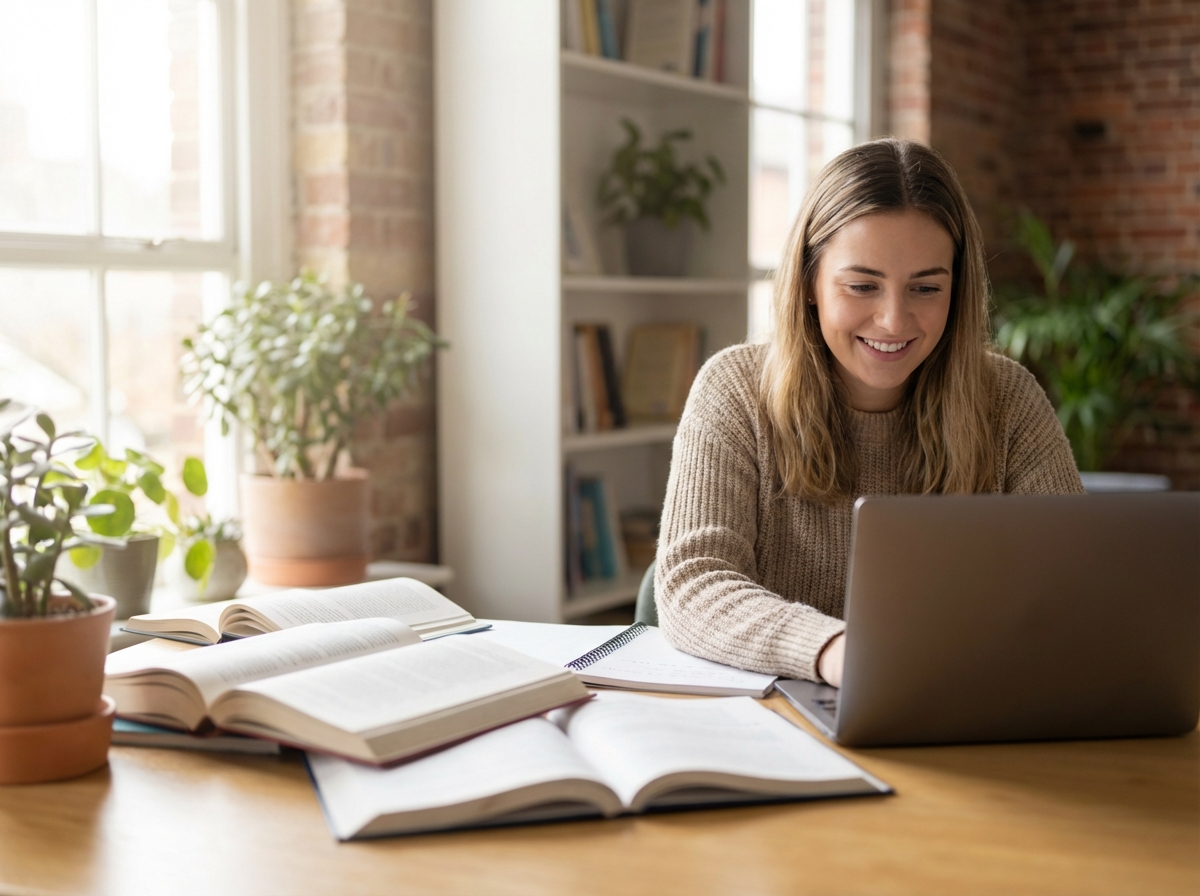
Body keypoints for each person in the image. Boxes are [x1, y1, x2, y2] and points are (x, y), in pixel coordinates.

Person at [655, 138, 1084, 687]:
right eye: (862, 285)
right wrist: (837, 651)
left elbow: (1073, 580)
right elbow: (695, 581)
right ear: (809, 282)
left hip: (960, 705)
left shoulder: (1009, 399)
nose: (892, 319)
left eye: (926, 287)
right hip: (785, 716)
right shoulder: (734, 390)